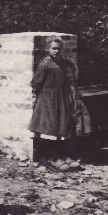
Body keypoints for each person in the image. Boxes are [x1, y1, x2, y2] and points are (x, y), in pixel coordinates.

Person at [28, 36, 82, 173]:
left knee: (62, 127)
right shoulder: (45, 64)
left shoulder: (61, 64)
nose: (57, 51)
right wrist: (42, 96)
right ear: (47, 49)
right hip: (48, 101)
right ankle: (53, 158)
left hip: (61, 100)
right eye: (54, 48)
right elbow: (35, 83)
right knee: (51, 128)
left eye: (59, 48)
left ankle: (63, 155)